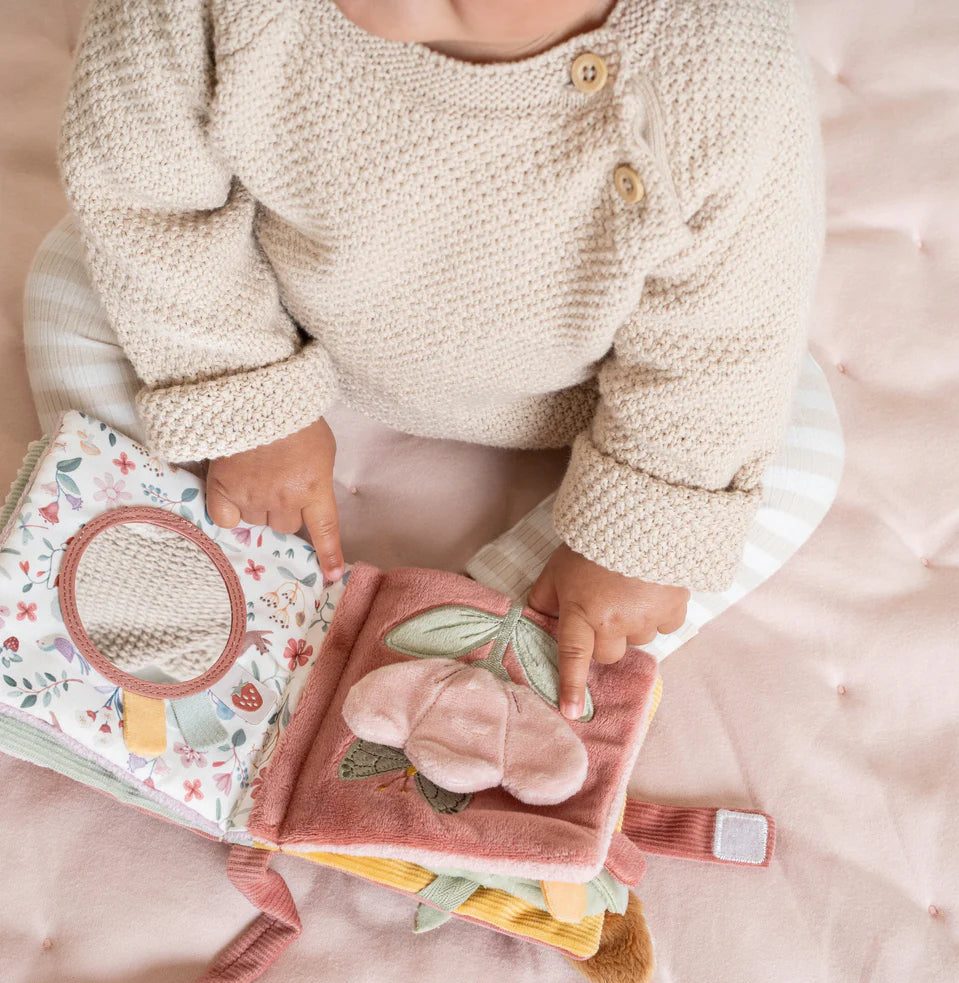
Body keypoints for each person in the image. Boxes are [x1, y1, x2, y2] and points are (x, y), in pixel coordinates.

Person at [33, 0, 827, 719]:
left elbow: (727, 337)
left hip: (580, 383)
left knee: (782, 440)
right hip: (278, 316)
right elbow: (144, 198)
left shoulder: (722, 71)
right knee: (74, 275)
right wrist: (243, 398)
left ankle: (474, 651)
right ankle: (182, 581)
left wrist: (636, 544)